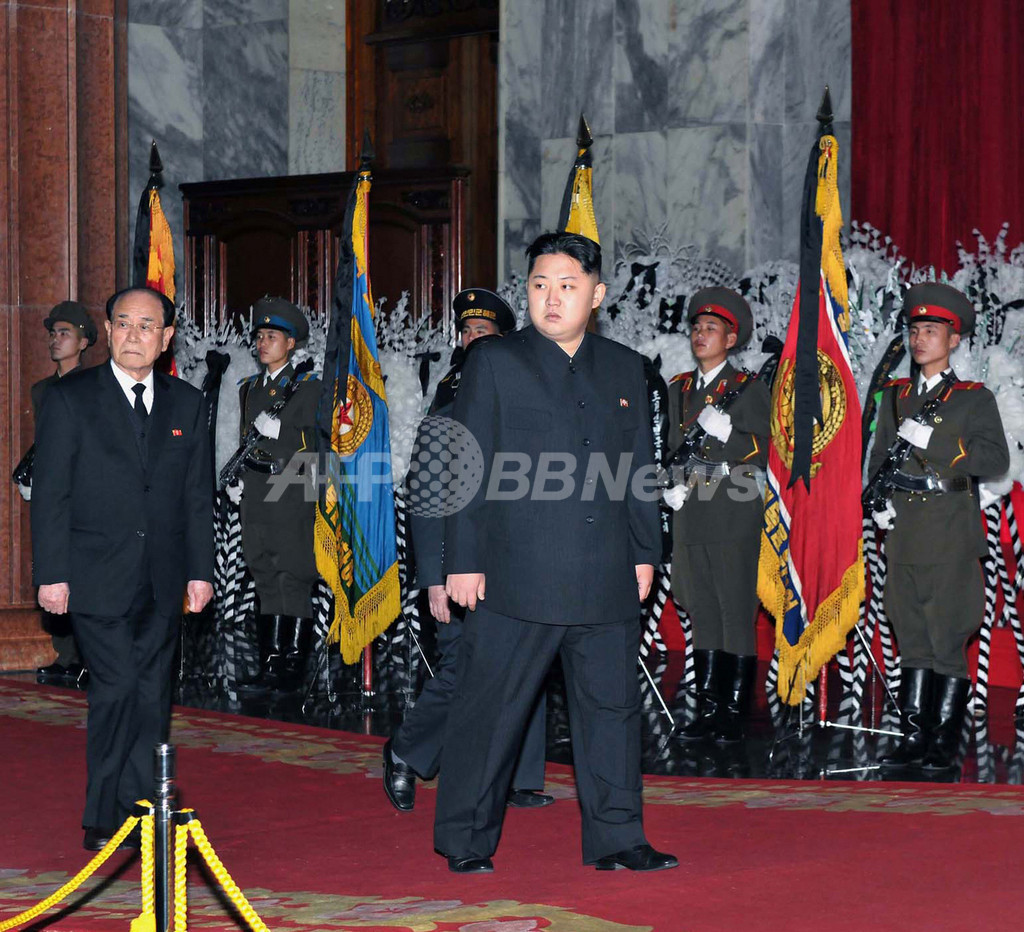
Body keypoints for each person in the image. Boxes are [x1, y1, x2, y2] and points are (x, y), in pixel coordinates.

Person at [434, 231, 677, 874]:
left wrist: (645, 549)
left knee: (612, 712)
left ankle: (619, 838)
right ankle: (466, 837)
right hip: (515, 577)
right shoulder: (495, 362)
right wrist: (460, 562)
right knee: (493, 712)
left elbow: (639, 468)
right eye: (540, 284)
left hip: (605, 574)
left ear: (596, 295)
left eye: (567, 286)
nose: (551, 298)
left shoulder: (626, 367)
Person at [31, 286, 215, 851]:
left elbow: (196, 496)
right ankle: (103, 813)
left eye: (147, 326)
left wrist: (201, 571)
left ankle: (141, 810)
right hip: (93, 573)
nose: (134, 335)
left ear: (165, 338)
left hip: (162, 577)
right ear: (108, 332)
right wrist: (51, 574)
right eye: (124, 324)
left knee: (153, 691)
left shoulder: (188, 402)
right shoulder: (70, 399)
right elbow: (51, 494)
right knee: (116, 686)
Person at [384, 288, 553, 813]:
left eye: (484, 333)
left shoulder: (527, 397)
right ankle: (406, 752)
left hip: (520, 561)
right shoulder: (450, 402)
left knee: (530, 663)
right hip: (461, 565)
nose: (471, 339)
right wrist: (433, 575)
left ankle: (518, 776)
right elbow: (428, 497)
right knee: (463, 666)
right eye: (466, 333)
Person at [870, 283, 1009, 773]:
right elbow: (879, 461)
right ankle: (913, 734)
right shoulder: (895, 397)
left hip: (949, 530)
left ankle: (945, 739)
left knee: (947, 636)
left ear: (953, 340)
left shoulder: (972, 399)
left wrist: (938, 446)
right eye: (915, 330)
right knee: (910, 633)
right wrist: (879, 506)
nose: (920, 338)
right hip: (904, 530)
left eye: (932, 330)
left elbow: (996, 459)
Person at [664, 288, 769, 744]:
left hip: (730, 507)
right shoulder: (679, 388)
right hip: (689, 510)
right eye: (696, 327)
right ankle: (708, 706)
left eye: (711, 329)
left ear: (731, 339)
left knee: (733, 609)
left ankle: (733, 712)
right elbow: (665, 444)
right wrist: (666, 480)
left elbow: (765, 450)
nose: (700, 334)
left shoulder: (748, 388)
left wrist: (729, 432)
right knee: (701, 607)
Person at [232, 297, 321, 694]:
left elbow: (320, 449)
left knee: (293, 577)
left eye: (271, 336)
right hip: (255, 494)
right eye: (259, 336)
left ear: (290, 344)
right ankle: (269, 663)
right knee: (264, 575)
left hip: (290, 493)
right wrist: (237, 478)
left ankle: (292, 667)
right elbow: (244, 441)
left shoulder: (309, 388)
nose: (262, 343)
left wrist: (281, 440)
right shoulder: (249, 388)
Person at [25, 302, 98, 686]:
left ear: (84, 341)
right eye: (53, 333)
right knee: (52, 566)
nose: (56, 340)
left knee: (82, 570)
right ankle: (65, 653)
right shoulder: (43, 390)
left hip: (84, 491)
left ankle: (85, 654)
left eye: (65, 333)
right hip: (54, 488)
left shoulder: (93, 386)